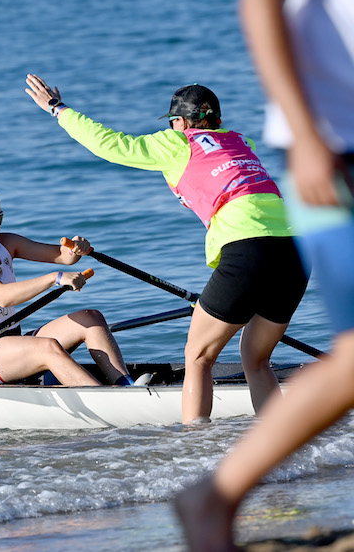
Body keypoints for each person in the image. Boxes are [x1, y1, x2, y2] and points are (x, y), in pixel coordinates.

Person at [175, 0, 354, 549]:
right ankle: (213, 488)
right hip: (335, 156)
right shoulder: (230, 142)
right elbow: (261, 6)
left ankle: (211, 484)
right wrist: (307, 136)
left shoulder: (194, 143)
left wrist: (61, 112)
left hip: (280, 222)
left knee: (219, 356)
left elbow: (110, 143)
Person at [25, 74, 308, 423]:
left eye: (174, 121)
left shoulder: (178, 143)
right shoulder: (239, 141)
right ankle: (284, 442)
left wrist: (57, 109)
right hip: (295, 253)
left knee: (198, 356)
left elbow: (109, 144)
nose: (173, 127)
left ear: (183, 122)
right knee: (255, 356)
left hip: (248, 250)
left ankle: (193, 450)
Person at [0, 185, 133, 386]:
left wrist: (77, 249)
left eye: (0, 218)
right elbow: (2, 296)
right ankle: (105, 401)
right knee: (47, 348)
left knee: (91, 318)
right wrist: (55, 278)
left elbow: (62, 256)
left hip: (10, 342)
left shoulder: (6, 242)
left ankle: (126, 385)